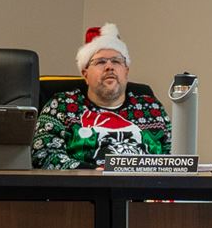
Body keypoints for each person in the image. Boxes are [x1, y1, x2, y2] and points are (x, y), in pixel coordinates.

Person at [35, 24, 170, 167]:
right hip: (86, 180)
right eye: (100, 62)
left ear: (126, 71)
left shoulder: (152, 108)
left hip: (146, 180)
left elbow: (176, 154)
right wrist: (93, 172)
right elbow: (43, 154)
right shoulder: (62, 105)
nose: (109, 67)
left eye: (116, 61)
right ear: (85, 74)